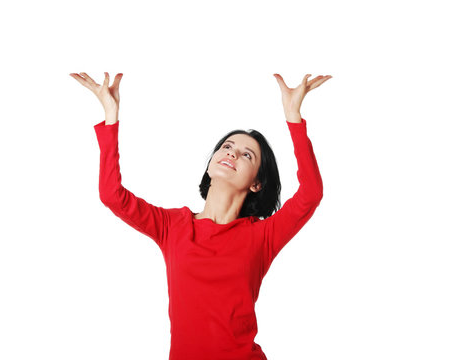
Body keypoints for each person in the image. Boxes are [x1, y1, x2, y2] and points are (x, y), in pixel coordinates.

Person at [70, 71, 331, 360]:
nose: (231, 153)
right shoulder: (172, 226)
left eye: (247, 155)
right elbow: (112, 195)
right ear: (210, 165)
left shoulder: (261, 235)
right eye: (227, 147)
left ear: (257, 183)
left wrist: (294, 117)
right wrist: (111, 116)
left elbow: (311, 194)